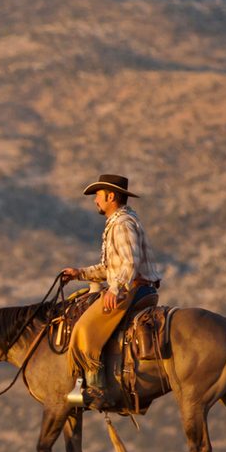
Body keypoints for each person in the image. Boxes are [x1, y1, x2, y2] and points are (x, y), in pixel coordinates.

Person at [60, 174, 161, 409]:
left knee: (84, 328)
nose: (95, 200)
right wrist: (79, 273)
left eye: (98, 195)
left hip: (133, 290)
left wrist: (114, 290)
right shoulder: (118, 222)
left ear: (111, 196)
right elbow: (109, 268)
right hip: (131, 287)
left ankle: (97, 389)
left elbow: (129, 263)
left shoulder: (123, 224)